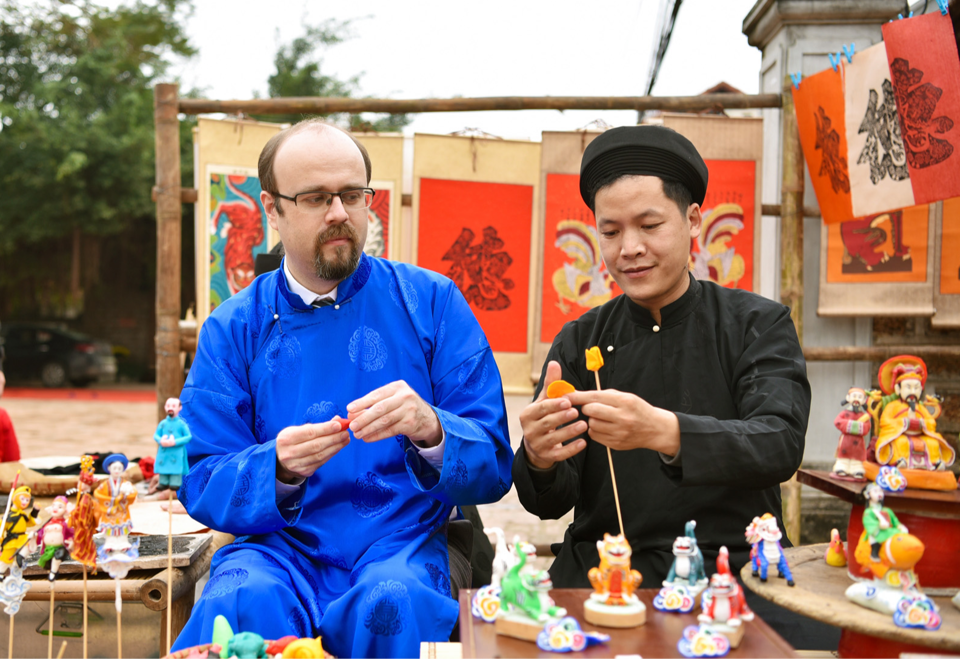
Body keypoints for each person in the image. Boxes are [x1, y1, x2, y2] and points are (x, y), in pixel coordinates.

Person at [174, 119, 512, 658]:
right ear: (272, 208)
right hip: (277, 549)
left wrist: (432, 428)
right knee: (240, 600)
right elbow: (198, 474)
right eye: (315, 198)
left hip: (402, 541)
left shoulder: (431, 302)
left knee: (392, 600)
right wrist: (275, 467)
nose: (339, 213)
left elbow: (495, 461)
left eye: (352, 195)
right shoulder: (234, 327)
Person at [513, 126, 827, 646]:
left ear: (694, 219)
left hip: (731, 573)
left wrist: (665, 431)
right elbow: (548, 502)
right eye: (610, 232)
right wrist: (541, 458)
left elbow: (779, 443)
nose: (629, 248)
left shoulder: (757, 325)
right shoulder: (579, 340)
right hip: (605, 574)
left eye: (649, 225)